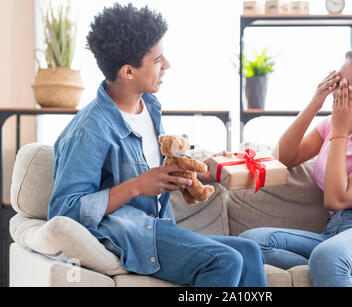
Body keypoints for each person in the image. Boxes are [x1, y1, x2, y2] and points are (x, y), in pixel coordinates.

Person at [48, 3, 267, 287]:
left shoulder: (149, 107)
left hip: (158, 228)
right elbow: (63, 213)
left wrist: (198, 172)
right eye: (157, 59)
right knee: (225, 260)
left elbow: (156, 170)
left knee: (249, 252)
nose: (167, 65)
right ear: (128, 71)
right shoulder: (89, 130)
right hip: (128, 234)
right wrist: (137, 186)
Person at [240, 46, 352, 287]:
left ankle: (329, 264)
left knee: (328, 256)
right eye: (336, 81)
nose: (337, 91)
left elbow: (336, 199)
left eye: (346, 86)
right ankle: (328, 267)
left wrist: (340, 132)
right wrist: (315, 104)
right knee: (250, 243)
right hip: (335, 233)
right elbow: (282, 158)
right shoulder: (330, 125)